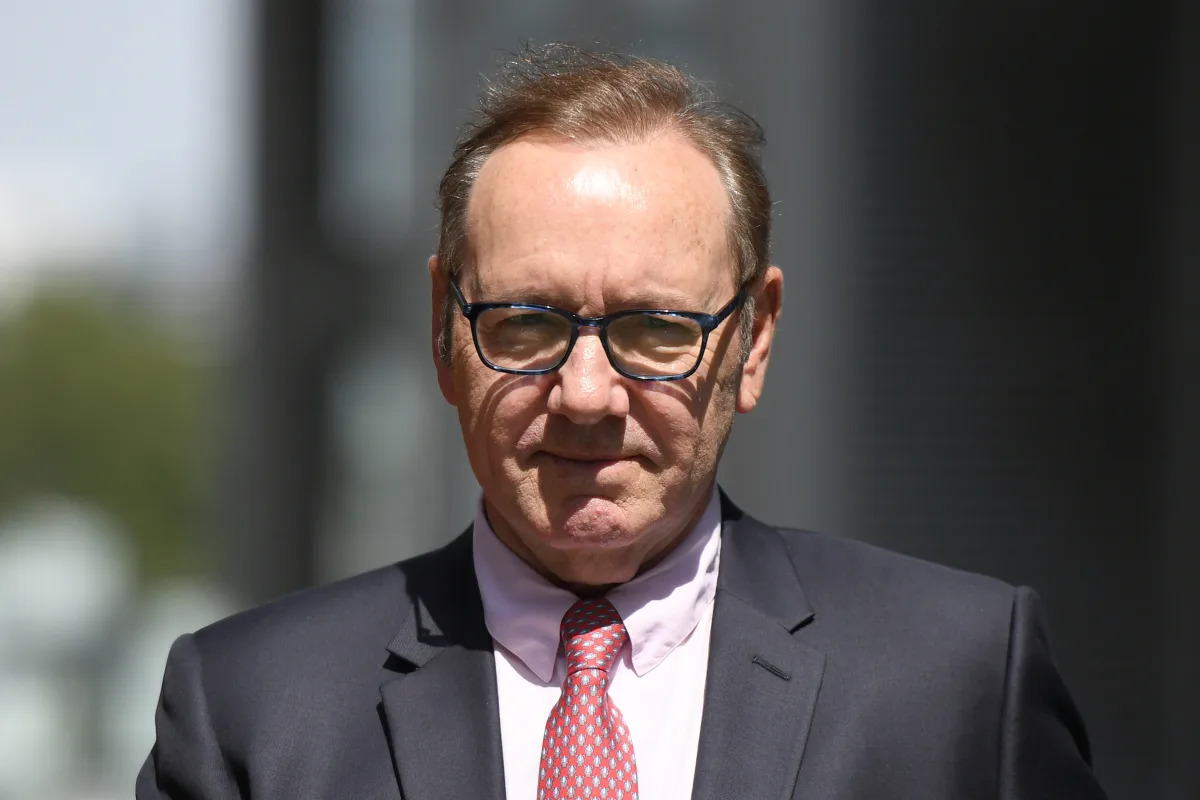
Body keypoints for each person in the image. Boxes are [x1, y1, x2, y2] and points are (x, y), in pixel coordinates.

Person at [136, 45, 1106, 799]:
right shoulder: (254, 714)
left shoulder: (958, 684)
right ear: (443, 328)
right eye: (526, 322)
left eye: (655, 328)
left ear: (754, 340)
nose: (588, 393)